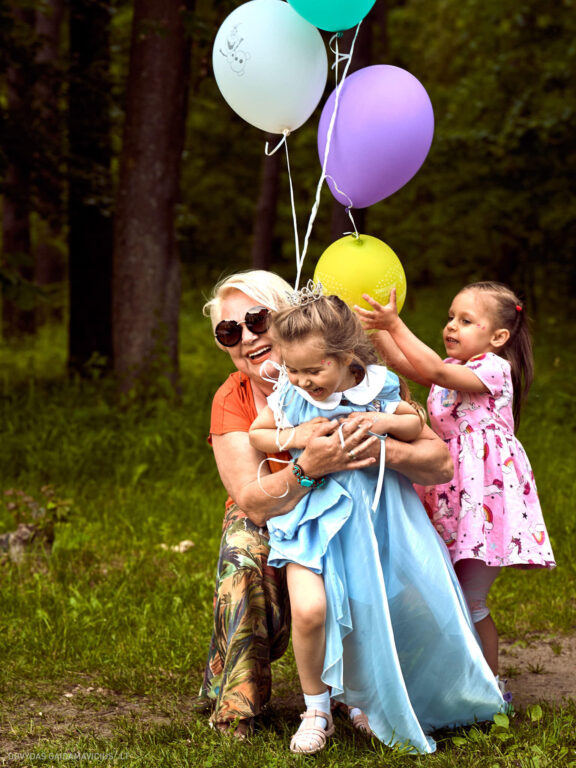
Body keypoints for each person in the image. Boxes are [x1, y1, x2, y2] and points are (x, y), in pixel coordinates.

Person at [198, 270, 455, 741]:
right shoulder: (238, 398)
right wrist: (306, 465)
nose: (249, 338)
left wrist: (373, 446)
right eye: (230, 331)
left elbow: (437, 460)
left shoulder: (358, 378)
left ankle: (365, 690)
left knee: (392, 586)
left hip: (362, 506)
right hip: (286, 511)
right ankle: (241, 700)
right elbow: (251, 501)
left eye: (257, 320)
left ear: (286, 318)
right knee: (243, 550)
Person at [249, 292, 505, 755]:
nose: (304, 382)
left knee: (370, 609)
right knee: (309, 611)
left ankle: (364, 696)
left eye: (314, 370)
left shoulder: (377, 386)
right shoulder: (291, 393)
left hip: (371, 519)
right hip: (310, 518)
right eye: (294, 370)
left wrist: (382, 423)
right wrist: (294, 435)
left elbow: (412, 426)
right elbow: (259, 433)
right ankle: (316, 709)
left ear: (345, 357)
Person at [356, 280, 556, 688]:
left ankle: (488, 686)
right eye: (450, 317)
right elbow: (407, 364)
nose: (451, 326)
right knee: (440, 592)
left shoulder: (495, 369)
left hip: (484, 500)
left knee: (470, 600)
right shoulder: (457, 374)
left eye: (466, 320)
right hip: (451, 494)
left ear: (499, 337)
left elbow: (430, 369)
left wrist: (395, 322)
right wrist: (375, 328)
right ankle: (449, 678)